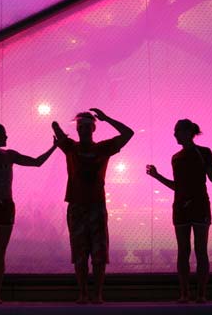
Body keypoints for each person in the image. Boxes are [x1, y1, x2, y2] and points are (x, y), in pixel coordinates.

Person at [0, 123, 57, 304]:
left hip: (4, 206)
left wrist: (54, 147)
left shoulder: (8, 156)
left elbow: (37, 162)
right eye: (3, 135)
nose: (6, 138)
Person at [146, 119, 212, 303]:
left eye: (177, 131)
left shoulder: (202, 153)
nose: (174, 134)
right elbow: (179, 186)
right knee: (187, 251)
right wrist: (157, 176)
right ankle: (188, 293)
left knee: (196, 250)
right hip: (183, 207)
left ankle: (197, 293)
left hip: (196, 206)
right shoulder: (177, 158)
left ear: (188, 132)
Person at [52, 108, 133, 304]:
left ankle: (96, 294)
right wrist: (58, 128)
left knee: (98, 254)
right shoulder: (71, 147)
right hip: (78, 206)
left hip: (95, 206)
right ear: (78, 129)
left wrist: (106, 118)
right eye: (81, 126)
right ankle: (84, 293)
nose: (84, 129)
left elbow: (128, 133)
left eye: (87, 126)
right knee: (80, 254)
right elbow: (55, 127)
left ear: (93, 129)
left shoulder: (101, 148)